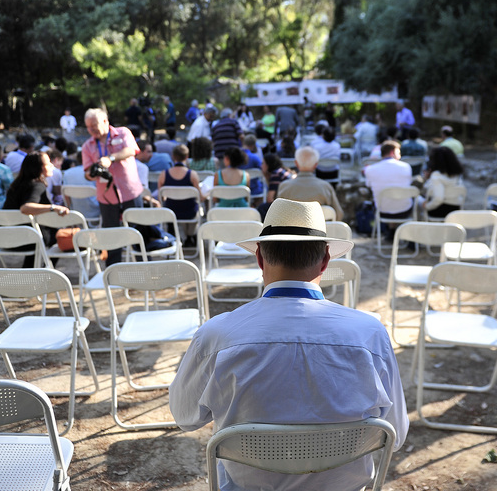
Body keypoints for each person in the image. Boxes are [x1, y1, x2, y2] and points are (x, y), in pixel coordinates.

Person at [169, 199, 408, 491]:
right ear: (325, 261)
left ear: (259, 258)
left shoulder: (216, 336)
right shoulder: (370, 335)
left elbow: (185, 417)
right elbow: (396, 433)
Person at [82, 108, 145, 265]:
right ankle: (113, 272)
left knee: (138, 232)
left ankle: (145, 266)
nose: (92, 130)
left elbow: (131, 150)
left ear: (105, 121)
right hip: (107, 196)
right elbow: (87, 173)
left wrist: (111, 158)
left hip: (130, 191)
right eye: (88, 127)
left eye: (94, 125)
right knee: (111, 236)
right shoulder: (87, 146)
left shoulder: (123, 133)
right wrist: (94, 172)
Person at [3, 152, 69, 267]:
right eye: (48, 164)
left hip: (4, 237)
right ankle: (46, 271)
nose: (52, 166)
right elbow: (25, 207)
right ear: (39, 168)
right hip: (26, 239)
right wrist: (53, 208)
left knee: (39, 233)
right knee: (60, 236)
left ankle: (32, 272)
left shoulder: (16, 185)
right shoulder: (37, 185)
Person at [364, 140, 414, 240]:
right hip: (404, 210)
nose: (400, 155)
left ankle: (391, 231)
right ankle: (412, 237)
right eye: (398, 152)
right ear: (392, 152)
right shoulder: (406, 167)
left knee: (385, 198)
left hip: (382, 211)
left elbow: (368, 185)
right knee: (410, 199)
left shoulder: (370, 169)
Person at [277, 146, 344, 219]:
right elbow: (339, 214)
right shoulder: (325, 187)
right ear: (316, 165)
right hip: (319, 229)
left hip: (292, 230)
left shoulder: (284, 187)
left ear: (296, 163)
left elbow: (277, 215)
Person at [158, 144, 203, 244]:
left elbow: (161, 197)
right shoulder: (192, 175)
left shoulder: (163, 174)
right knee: (194, 206)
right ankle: (191, 236)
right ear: (187, 157)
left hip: (171, 213)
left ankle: (179, 237)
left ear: (173, 156)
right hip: (189, 212)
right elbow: (200, 197)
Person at [422, 146, 464, 219]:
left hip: (440, 210)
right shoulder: (457, 174)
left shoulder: (436, 176)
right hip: (456, 209)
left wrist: (427, 207)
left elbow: (438, 198)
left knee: (419, 201)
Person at [258, 153, 292, 218]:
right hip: (291, 201)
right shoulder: (281, 171)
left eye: (263, 163)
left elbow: (270, 199)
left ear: (269, 164)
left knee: (262, 208)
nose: (261, 166)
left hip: (287, 205)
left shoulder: (276, 174)